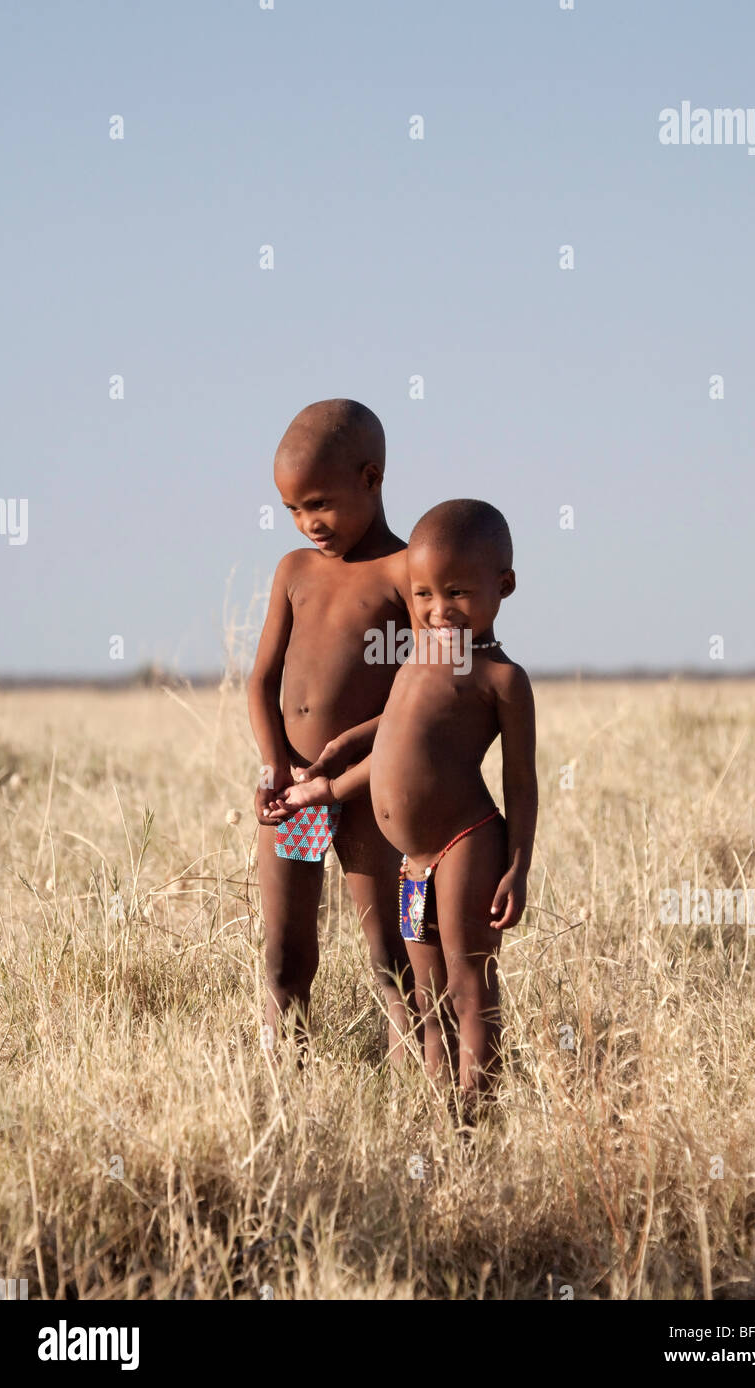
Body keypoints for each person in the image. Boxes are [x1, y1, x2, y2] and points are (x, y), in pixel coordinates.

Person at [272, 499, 538, 1103]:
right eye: (422, 596)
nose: (438, 612)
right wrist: (328, 772)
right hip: (413, 861)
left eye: (458, 595)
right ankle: (441, 1111)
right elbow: (392, 733)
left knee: (470, 984)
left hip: (465, 841)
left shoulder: (501, 679)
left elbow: (521, 781)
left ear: (504, 587)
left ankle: (478, 1113)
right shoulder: (419, 655)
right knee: (426, 990)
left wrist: (518, 867)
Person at [247, 398, 412, 1059]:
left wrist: (342, 773)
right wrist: (275, 764)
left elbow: (420, 699)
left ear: (370, 479)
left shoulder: (408, 575)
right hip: (295, 792)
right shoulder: (295, 572)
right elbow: (261, 680)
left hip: (370, 793)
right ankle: (284, 1083)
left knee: (389, 956)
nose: (306, 523)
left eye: (319, 503)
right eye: (291, 509)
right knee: (285, 956)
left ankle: (416, 1092)